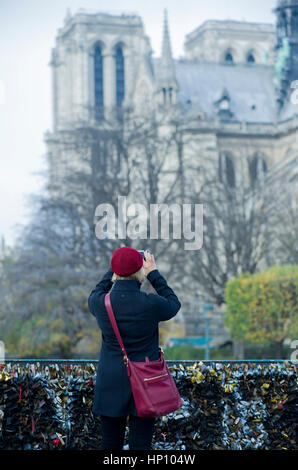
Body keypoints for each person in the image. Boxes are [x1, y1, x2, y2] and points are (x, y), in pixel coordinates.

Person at [88, 246, 181, 450]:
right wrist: (154, 273)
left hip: (110, 380)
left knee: (110, 444)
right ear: (140, 271)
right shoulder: (151, 303)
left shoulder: (101, 303)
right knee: (141, 445)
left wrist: (114, 269)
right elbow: (174, 303)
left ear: (114, 272)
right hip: (145, 380)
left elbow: (97, 291)